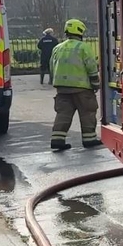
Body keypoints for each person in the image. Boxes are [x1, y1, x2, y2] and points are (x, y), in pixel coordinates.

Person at [49, 19, 100, 151]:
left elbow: (51, 67)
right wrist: (95, 85)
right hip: (82, 89)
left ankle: (57, 140)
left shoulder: (57, 48)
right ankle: (89, 139)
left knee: (63, 114)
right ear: (80, 31)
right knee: (87, 113)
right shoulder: (83, 47)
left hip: (62, 89)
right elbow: (91, 68)